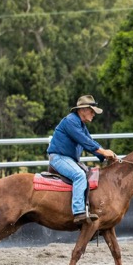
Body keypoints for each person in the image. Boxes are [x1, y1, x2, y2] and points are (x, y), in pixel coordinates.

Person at [47, 95, 118, 223]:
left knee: (88, 174)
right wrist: (103, 152)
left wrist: (104, 156)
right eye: (92, 111)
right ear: (83, 110)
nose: (93, 114)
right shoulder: (71, 121)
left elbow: (90, 141)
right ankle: (79, 212)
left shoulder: (80, 124)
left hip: (68, 159)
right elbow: (85, 141)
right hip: (59, 158)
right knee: (79, 175)